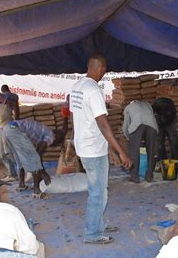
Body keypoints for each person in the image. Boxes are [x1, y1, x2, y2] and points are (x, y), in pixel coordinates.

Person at [70, 52, 132, 244]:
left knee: (100, 189)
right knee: (97, 191)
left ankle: (98, 224)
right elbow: (103, 123)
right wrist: (121, 151)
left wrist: (75, 139)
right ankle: (92, 233)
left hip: (84, 145)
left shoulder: (77, 87)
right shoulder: (93, 90)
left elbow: (74, 116)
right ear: (102, 69)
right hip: (93, 149)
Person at [0, 82, 47, 198]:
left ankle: (35, 188)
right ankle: (24, 184)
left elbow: (14, 103)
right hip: (4, 128)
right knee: (17, 155)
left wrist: (16, 121)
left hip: (9, 126)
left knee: (27, 156)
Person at [12, 118, 66, 187]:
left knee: (21, 157)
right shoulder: (51, 136)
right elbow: (37, 156)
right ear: (57, 139)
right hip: (16, 130)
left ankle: (21, 185)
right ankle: (36, 189)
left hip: (10, 128)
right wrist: (43, 172)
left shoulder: (41, 135)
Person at [122, 100, 158, 183]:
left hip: (137, 125)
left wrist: (128, 136)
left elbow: (126, 124)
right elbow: (152, 116)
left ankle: (135, 177)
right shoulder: (147, 104)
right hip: (152, 125)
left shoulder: (128, 108)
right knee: (151, 151)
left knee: (134, 151)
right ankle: (149, 176)